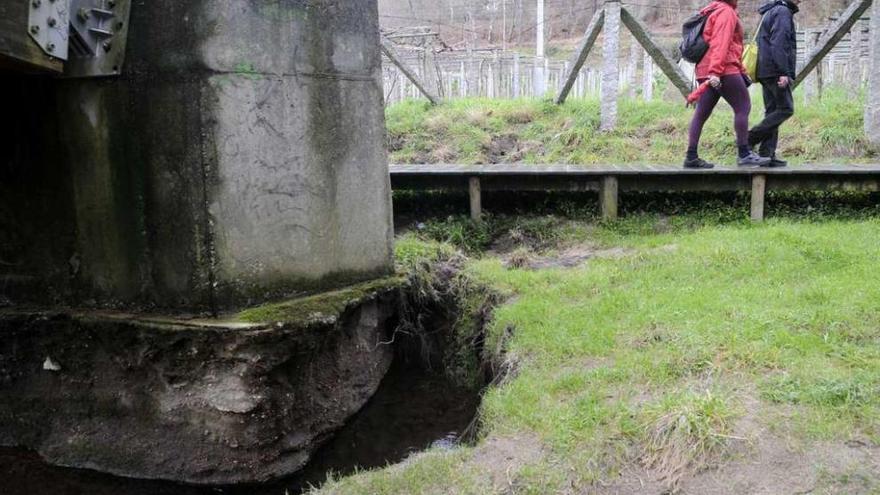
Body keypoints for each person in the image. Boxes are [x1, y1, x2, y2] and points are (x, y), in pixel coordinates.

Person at [684, 0, 771, 169]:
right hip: (722, 69)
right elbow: (721, 43)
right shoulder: (726, 12)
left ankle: (691, 156)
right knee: (743, 107)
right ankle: (744, 154)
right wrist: (715, 72)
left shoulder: (712, 9)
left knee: (701, 113)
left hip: (705, 67)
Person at [748, 0, 801, 168]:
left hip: (765, 69)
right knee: (786, 109)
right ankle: (749, 139)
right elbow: (779, 42)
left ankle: (766, 154)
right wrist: (783, 71)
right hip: (774, 71)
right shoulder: (782, 12)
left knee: (773, 110)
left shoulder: (770, 11)